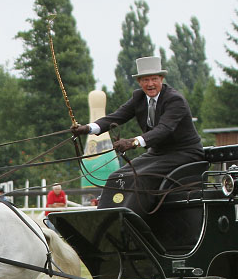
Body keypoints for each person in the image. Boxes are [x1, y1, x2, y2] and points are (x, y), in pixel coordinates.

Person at [71, 56, 203, 212]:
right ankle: (104, 218)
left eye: (154, 79)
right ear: (139, 82)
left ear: (161, 79)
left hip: (185, 153)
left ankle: (133, 221)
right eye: (145, 80)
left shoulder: (175, 100)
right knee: (116, 177)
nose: (150, 84)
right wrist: (88, 128)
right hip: (157, 154)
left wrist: (133, 142)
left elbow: (163, 129)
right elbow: (116, 117)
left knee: (140, 177)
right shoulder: (138, 97)